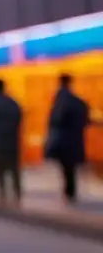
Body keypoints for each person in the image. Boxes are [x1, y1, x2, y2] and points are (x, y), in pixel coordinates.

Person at [44, 73, 89, 204]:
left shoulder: (60, 100)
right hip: (73, 139)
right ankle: (70, 193)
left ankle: (69, 193)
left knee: (67, 168)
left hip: (63, 139)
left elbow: (56, 120)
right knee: (69, 168)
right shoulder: (75, 101)